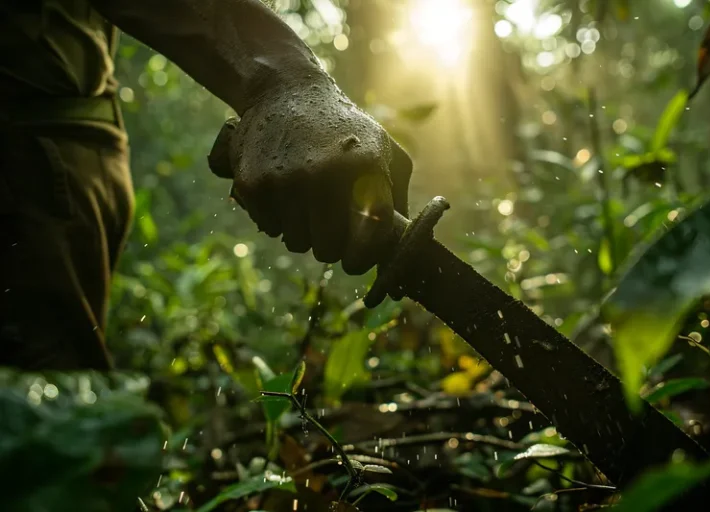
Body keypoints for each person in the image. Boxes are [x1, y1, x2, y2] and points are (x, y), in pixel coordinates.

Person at [0, 0, 413, 371]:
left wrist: (284, 79)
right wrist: (280, 78)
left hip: (47, 160)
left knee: (45, 403)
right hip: (45, 157)